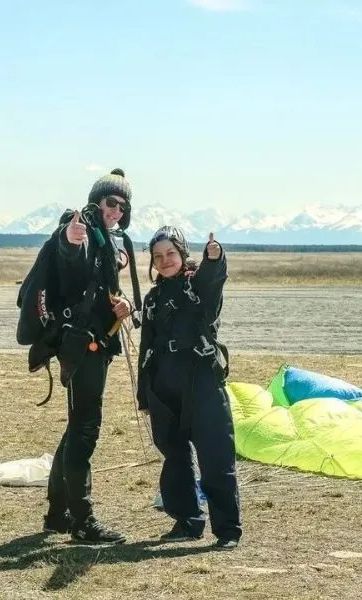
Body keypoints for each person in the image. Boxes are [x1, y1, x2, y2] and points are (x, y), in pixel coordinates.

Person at [19, 167, 141, 544]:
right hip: (81, 346)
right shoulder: (81, 228)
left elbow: (100, 288)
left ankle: (58, 513)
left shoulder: (112, 238)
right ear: (96, 201)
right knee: (86, 428)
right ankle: (82, 520)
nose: (116, 210)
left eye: (123, 205)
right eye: (111, 202)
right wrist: (71, 241)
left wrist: (120, 305)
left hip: (98, 343)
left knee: (77, 427)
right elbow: (71, 254)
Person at [137, 226, 242, 550]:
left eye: (170, 253)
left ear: (183, 255)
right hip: (164, 388)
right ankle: (187, 521)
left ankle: (227, 531)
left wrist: (215, 257)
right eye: (158, 256)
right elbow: (146, 346)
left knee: (215, 457)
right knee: (175, 458)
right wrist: (145, 394)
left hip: (202, 384)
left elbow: (214, 276)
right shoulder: (153, 299)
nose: (165, 260)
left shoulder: (199, 286)